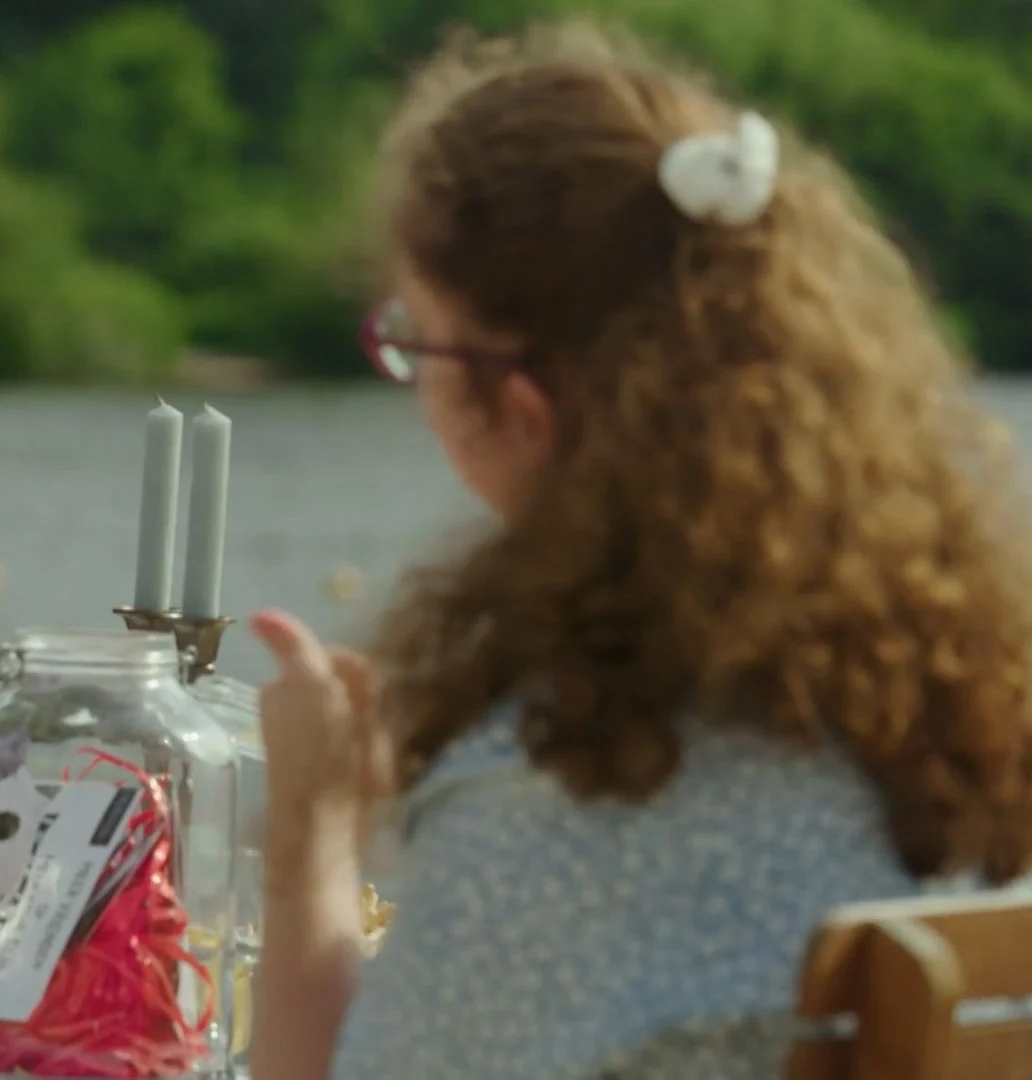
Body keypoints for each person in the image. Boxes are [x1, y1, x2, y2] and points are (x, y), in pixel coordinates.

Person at [246, 18, 1032, 1080]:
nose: (412, 377)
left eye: (412, 340)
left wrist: (309, 846)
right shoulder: (945, 716)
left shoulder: (561, 810)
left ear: (520, 408)